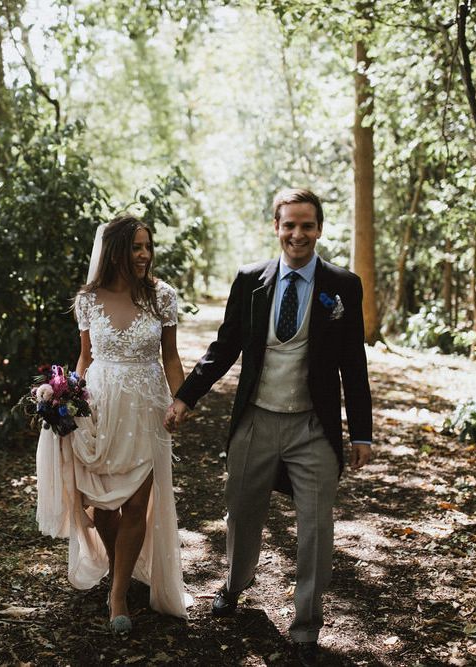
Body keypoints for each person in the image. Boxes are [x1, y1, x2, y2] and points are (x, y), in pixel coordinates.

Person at [165, 188, 372, 666]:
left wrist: (360, 431)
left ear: (319, 229)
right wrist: (186, 397)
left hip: (312, 426)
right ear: (276, 228)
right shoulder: (251, 281)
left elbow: (353, 364)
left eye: (306, 225)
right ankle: (235, 584)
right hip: (256, 418)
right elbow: (225, 347)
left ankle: (305, 626)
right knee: (240, 511)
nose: (297, 234)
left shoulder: (343, 285)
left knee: (316, 527)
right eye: (289, 225)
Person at [35, 214, 191, 636]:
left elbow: (171, 358)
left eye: (147, 246)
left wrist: (181, 399)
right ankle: (121, 562)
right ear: (115, 252)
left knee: (137, 503)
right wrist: (66, 395)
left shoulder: (163, 297)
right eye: (136, 247)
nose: (144, 255)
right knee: (101, 502)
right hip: (99, 405)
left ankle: (119, 592)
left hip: (146, 406)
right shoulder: (88, 299)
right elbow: (84, 357)